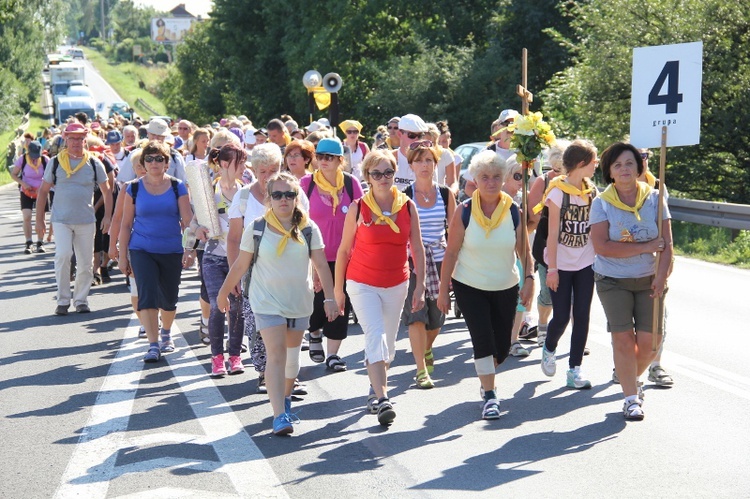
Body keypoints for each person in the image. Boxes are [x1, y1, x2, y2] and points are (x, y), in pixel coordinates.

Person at [218, 172, 337, 435]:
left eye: (289, 194)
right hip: (266, 301)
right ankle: (279, 414)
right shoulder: (257, 227)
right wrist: (223, 292)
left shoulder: (308, 228)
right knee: (276, 353)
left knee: (292, 360)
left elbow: (321, 265)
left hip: (298, 301)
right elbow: (241, 264)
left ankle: (284, 398)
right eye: (277, 195)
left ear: (297, 198)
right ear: (269, 199)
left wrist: (329, 298)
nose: (284, 200)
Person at [437, 150, 534, 420]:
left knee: (501, 347)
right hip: (470, 285)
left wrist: (529, 280)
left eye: (495, 177)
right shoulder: (464, 210)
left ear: (503, 179)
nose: (490, 182)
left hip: (505, 285)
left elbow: (524, 252)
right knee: (482, 340)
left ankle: (486, 376)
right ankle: (490, 395)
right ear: (475, 180)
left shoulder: (514, 210)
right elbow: (452, 252)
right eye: (484, 177)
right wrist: (443, 290)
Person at [335, 149, 425, 426]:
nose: (383, 178)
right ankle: (383, 398)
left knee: (388, 342)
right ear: (368, 177)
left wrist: (420, 286)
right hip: (362, 282)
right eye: (377, 174)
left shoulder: (407, 206)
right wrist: (338, 291)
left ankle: (374, 389)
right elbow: (344, 250)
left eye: (388, 173)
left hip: (397, 282)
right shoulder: (358, 208)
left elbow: (418, 249)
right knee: (376, 335)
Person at [589, 142, 672, 421]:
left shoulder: (657, 198)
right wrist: (645, 245)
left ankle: (627, 374)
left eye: (629, 163)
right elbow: (602, 246)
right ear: (609, 172)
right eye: (617, 165)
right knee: (623, 340)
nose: (624, 169)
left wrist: (661, 277)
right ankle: (631, 398)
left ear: (639, 168)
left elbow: (668, 244)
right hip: (613, 280)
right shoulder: (601, 203)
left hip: (650, 279)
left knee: (651, 343)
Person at [117, 140, 194, 362]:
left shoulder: (178, 186)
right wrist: (123, 255)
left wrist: (189, 249)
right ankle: (153, 344)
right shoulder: (133, 188)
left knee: (169, 299)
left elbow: (187, 221)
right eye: (149, 159)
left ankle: (166, 333)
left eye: (159, 158)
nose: (154, 163)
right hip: (141, 248)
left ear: (166, 163)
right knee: (147, 296)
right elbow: (125, 224)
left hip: (171, 249)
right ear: (143, 163)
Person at [537, 139, 598, 389]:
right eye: (593, 162)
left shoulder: (592, 192)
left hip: (585, 263)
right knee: (561, 316)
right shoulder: (557, 192)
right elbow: (552, 235)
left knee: (582, 316)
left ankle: (574, 369)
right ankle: (549, 348)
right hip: (560, 265)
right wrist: (551, 269)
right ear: (582, 163)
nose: (596, 166)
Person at [300, 138, 365, 371]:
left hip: (346, 255)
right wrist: (309, 263)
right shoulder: (305, 184)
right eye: (320, 156)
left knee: (339, 302)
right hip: (314, 255)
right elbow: (299, 223)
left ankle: (333, 354)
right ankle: (314, 331)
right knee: (316, 302)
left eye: (329, 157)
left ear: (340, 160)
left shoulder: (350, 184)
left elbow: (362, 216)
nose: (323, 161)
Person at [35, 124, 113, 315]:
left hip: (86, 220)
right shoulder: (55, 162)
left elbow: (108, 191)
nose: (76, 142)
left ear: (85, 140)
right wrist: (39, 220)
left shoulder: (94, 163)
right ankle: (62, 300)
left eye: (80, 138)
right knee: (63, 255)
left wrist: (108, 217)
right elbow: (43, 191)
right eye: (72, 138)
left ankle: (81, 300)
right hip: (61, 219)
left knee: (86, 262)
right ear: (65, 139)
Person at [189, 143, 247, 377]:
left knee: (237, 307)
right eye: (239, 162)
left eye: (244, 162)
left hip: (241, 258)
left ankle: (235, 355)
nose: (244, 167)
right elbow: (193, 223)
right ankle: (216, 357)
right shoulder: (209, 193)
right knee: (217, 305)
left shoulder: (247, 191)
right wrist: (199, 229)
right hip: (213, 257)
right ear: (224, 165)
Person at [402, 140, 456, 388]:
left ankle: (425, 348)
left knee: (437, 318)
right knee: (416, 316)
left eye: (429, 160)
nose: (424, 165)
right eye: (419, 160)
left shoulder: (446, 194)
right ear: (411, 165)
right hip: (412, 262)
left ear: (436, 165)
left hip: (440, 260)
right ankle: (421, 370)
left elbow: (456, 232)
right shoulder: (404, 197)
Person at [527, 139, 570, 346]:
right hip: (545, 245)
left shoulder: (578, 184)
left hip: (572, 247)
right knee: (548, 293)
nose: (559, 173)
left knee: (573, 295)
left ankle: (576, 333)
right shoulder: (543, 181)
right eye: (556, 168)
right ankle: (542, 324)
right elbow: (533, 216)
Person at [10, 140, 50, 254]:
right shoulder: (22, 159)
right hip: (26, 191)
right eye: (33, 155)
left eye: (36, 155)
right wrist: (23, 184)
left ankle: (40, 242)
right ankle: (28, 242)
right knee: (27, 216)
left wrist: (43, 186)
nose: (34, 158)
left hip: (41, 192)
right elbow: (13, 174)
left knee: (41, 217)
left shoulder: (45, 160)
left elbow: (51, 176)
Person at [392, 114, 430, 191]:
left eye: (420, 136)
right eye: (411, 135)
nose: (416, 139)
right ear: (399, 134)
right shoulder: (390, 158)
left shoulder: (428, 160)